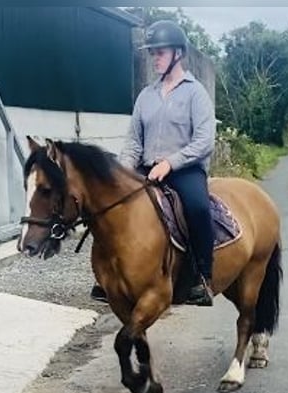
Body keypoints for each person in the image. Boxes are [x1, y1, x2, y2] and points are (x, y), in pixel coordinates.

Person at [90, 19, 217, 307]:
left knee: (198, 207)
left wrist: (170, 163)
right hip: (147, 167)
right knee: (110, 206)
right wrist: (121, 172)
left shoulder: (195, 93)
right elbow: (134, 140)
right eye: (153, 52)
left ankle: (202, 277)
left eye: (161, 52)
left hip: (185, 169)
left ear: (178, 54)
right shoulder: (146, 96)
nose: (155, 57)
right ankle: (106, 275)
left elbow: (204, 140)